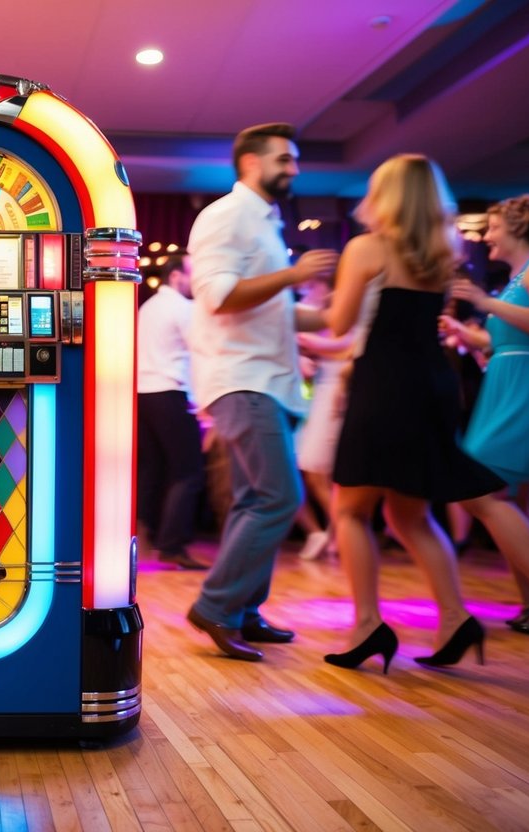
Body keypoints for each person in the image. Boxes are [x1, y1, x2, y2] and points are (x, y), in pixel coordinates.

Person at [323, 154, 504, 673]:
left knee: (351, 509)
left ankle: (367, 625)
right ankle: (455, 619)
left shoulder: (367, 248)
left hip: (384, 384)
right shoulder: (444, 256)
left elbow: (339, 324)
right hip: (433, 384)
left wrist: (285, 311)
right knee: (411, 513)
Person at [184, 122, 338, 661]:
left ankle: (245, 610)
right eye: (285, 160)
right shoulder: (227, 216)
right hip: (241, 379)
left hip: (265, 380)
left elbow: (272, 307)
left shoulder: (264, 224)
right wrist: (295, 278)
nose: (294, 170)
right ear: (251, 161)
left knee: (256, 498)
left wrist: (330, 316)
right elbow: (221, 297)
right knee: (280, 496)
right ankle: (216, 606)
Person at [439, 194, 529, 635]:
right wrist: (467, 334)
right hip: (511, 383)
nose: (487, 236)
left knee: (478, 491)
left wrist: (485, 301)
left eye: (494, 227)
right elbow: (507, 340)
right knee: (512, 498)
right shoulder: (520, 275)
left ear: (517, 228)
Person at [136, 252, 209, 570]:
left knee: (153, 469)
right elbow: (202, 352)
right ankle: (173, 545)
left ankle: (144, 534)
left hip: (143, 393)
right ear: (177, 275)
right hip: (172, 391)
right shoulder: (184, 308)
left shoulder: (148, 306)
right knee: (188, 472)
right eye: (194, 273)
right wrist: (205, 400)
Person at [292, 275, 352, 561]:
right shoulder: (319, 315)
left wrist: (301, 339)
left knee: (320, 470)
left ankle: (341, 530)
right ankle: (333, 530)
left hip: (333, 396)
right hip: (315, 397)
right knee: (308, 469)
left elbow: (347, 347)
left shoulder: (345, 317)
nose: (310, 288)